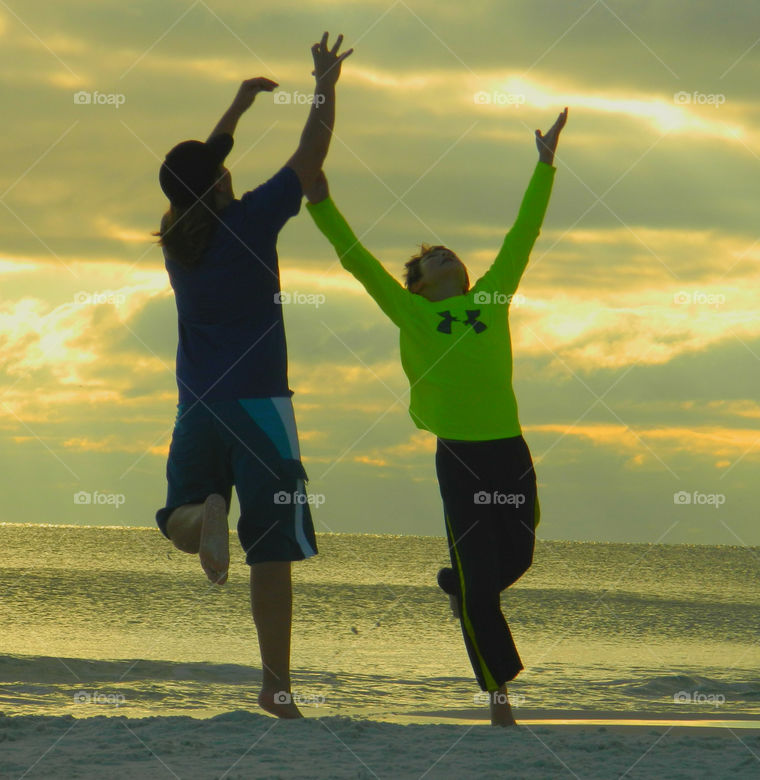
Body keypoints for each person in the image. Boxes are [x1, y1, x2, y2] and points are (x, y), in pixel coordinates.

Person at [304, 108, 568, 726]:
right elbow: (355, 259)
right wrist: (320, 202)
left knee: (518, 561)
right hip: (461, 458)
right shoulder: (411, 313)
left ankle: (460, 591)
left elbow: (521, 236)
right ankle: (500, 701)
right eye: (430, 258)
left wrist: (545, 165)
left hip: (509, 449)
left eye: (448, 252)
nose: (443, 255)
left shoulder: (493, 297)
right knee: (480, 583)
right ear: (419, 287)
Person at [154, 33, 353, 719]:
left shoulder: (177, 240)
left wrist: (236, 109)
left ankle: (200, 518)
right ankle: (275, 684)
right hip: (262, 409)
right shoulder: (250, 221)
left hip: (197, 410)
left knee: (176, 515)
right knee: (271, 551)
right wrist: (325, 83)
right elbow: (310, 154)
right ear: (220, 182)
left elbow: (201, 172)